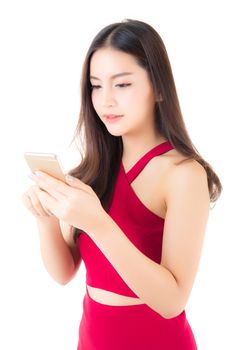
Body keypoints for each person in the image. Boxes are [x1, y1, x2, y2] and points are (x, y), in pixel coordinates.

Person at [22, 18, 223, 350]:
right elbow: (64, 272)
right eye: (96, 85)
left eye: (122, 84)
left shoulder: (183, 174)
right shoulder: (94, 170)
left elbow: (173, 301)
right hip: (92, 339)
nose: (106, 100)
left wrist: (98, 223)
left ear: (159, 87)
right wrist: (45, 218)